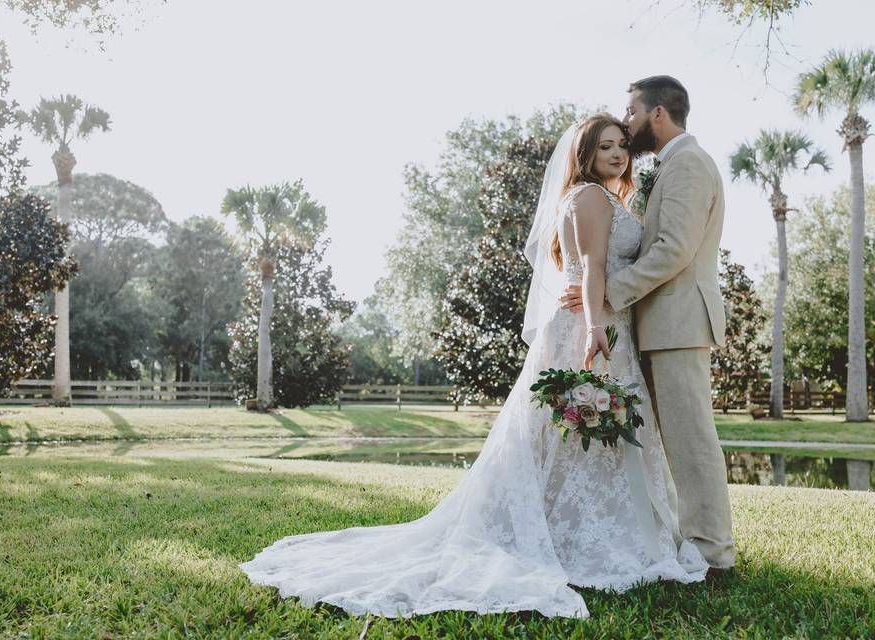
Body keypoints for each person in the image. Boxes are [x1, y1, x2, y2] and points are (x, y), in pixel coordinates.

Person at [239, 111, 708, 620]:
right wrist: (597, 327)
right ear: (585, 157)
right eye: (605, 148)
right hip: (589, 327)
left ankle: (586, 530)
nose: (617, 154)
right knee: (582, 435)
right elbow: (594, 266)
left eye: (621, 145)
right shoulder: (592, 197)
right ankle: (588, 539)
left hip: (593, 322)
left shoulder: (595, 197)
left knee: (577, 438)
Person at [562, 76, 735, 570]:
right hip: (658, 325)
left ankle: (712, 552)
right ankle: (688, 537)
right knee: (673, 441)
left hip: (679, 322)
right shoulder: (670, 166)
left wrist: (611, 293)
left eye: (632, 113)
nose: (629, 123)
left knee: (692, 439)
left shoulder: (688, 164)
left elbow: (673, 251)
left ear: (657, 114)